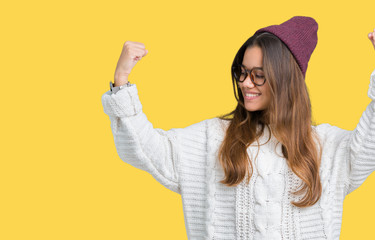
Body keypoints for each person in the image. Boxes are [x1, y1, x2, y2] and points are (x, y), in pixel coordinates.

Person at [101, 16, 375, 239]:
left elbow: (369, 142)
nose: (245, 83)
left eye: (258, 75)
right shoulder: (211, 139)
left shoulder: (327, 147)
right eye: (242, 72)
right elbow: (143, 150)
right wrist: (122, 81)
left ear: (286, 80)